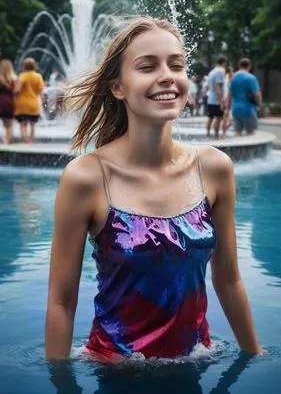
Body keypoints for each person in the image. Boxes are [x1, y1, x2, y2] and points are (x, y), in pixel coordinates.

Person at [45, 18, 263, 362]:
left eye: (176, 65)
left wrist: (255, 354)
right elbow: (61, 300)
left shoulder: (215, 169)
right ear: (118, 87)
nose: (167, 75)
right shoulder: (87, 178)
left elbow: (230, 280)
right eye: (147, 66)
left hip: (195, 363)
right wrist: (59, 381)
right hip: (114, 371)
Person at [227, 58, 262, 137]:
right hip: (248, 109)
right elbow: (257, 93)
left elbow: (229, 94)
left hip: (235, 109)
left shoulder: (233, 77)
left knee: (237, 132)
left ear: (239, 66)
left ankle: (236, 149)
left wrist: (227, 107)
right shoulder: (251, 77)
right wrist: (260, 104)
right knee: (250, 133)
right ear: (249, 66)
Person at [14, 57, 45, 143]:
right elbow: (41, 92)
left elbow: (17, 90)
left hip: (22, 104)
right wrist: (43, 102)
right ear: (34, 65)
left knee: (23, 124)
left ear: (24, 66)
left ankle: (25, 141)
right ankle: (31, 142)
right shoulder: (38, 76)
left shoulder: (23, 75)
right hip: (34, 104)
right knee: (32, 125)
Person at [206, 55, 228, 138]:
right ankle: (216, 136)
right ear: (224, 62)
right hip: (216, 100)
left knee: (210, 117)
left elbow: (209, 86)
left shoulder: (211, 72)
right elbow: (218, 86)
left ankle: (208, 134)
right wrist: (221, 100)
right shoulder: (221, 71)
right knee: (218, 118)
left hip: (210, 98)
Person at [0, 59, 19, 144]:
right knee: (9, 125)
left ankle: (3, 139)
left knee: (4, 125)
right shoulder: (14, 79)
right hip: (9, 103)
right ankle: (7, 143)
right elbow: (16, 93)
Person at [222, 65, 234, 137]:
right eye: (231, 71)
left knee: (227, 117)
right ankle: (224, 132)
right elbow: (226, 91)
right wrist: (225, 101)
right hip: (227, 99)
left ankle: (224, 131)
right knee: (226, 117)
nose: (232, 72)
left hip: (231, 100)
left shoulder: (231, 79)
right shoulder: (226, 79)